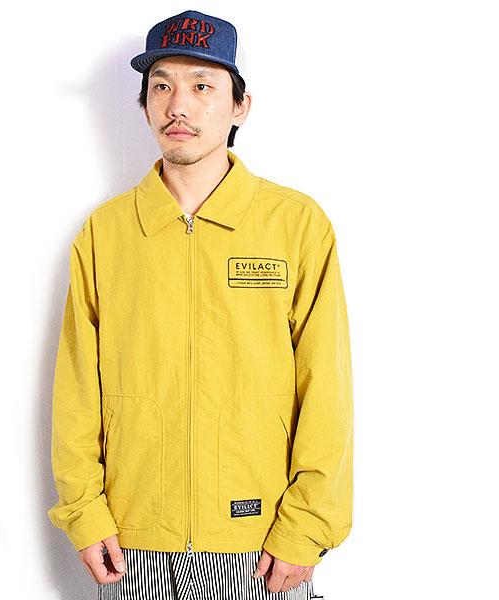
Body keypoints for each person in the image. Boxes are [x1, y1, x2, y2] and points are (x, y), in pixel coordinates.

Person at [47, 9, 353, 600]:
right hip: (132, 545)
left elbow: (327, 391)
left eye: (202, 86)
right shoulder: (107, 234)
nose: (178, 106)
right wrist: (85, 514)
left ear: (240, 106)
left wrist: (306, 528)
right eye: (161, 86)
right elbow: (77, 390)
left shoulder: (296, 226)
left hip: (264, 545)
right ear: (144, 105)